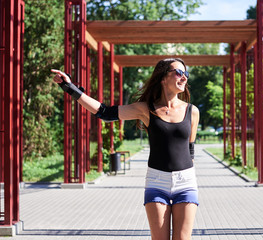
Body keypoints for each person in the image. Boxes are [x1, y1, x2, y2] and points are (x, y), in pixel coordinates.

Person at [52, 58, 200, 240]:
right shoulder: (146, 109)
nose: (184, 77)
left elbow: (190, 149)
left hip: (185, 183)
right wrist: (70, 88)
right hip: (157, 182)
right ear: (163, 78)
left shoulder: (192, 111)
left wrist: (188, 175)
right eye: (178, 73)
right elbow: (104, 113)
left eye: (186, 73)